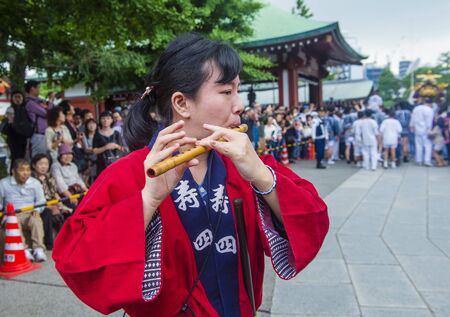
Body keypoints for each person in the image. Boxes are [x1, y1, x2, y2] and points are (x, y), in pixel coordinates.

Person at [52, 34, 329, 317]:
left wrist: (262, 176)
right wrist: (148, 199)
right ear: (182, 103)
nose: (239, 104)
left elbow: (313, 219)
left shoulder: (247, 163)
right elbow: (74, 259)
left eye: (238, 90)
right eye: (226, 92)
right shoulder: (130, 173)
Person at [0, 159, 47, 261]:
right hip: (11, 214)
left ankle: (38, 249)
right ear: (13, 171)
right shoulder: (3, 183)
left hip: (30, 212)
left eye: (28, 170)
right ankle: (24, 249)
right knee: (13, 223)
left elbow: (41, 201)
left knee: (36, 221)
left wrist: (37, 210)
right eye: (22, 170)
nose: (25, 173)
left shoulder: (35, 183)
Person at [31, 153, 69, 250]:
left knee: (69, 208)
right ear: (34, 165)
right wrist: (50, 207)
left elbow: (54, 193)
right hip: (39, 205)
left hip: (52, 202)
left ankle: (68, 239)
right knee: (47, 213)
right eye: (41, 164)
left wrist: (60, 204)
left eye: (46, 164)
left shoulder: (50, 177)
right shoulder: (31, 179)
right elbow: (34, 200)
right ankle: (49, 244)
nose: (44, 166)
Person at [92, 111, 125, 177]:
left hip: (116, 162)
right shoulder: (97, 134)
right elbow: (95, 150)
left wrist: (116, 146)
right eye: (103, 118)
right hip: (102, 164)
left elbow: (122, 149)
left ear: (112, 120)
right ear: (100, 120)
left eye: (108, 118)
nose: (105, 120)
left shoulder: (116, 133)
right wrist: (105, 147)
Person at [25, 80, 53, 156]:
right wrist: (50, 100)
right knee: (39, 159)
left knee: (46, 160)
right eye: (38, 88)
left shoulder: (38, 101)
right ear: (32, 89)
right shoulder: (30, 103)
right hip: (38, 135)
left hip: (44, 134)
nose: (39, 90)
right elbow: (47, 114)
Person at [1, 91, 28, 163]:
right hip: (13, 138)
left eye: (19, 97)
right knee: (15, 159)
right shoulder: (10, 109)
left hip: (24, 138)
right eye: (15, 97)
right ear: (12, 99)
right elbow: (7, 124)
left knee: (23, 158)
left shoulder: (25, 109)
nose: (17, 99)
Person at [410, 98, 434, 166]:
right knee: (428, 145)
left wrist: (411, 126)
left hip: (417, 129)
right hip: (426, 129)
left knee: (418, 145)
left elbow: (412, 118)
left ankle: (419, 160)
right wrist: (429, 130)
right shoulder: (429, 110)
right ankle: (427, 160)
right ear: (430, 103)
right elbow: (429, 121)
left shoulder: (416, 108)